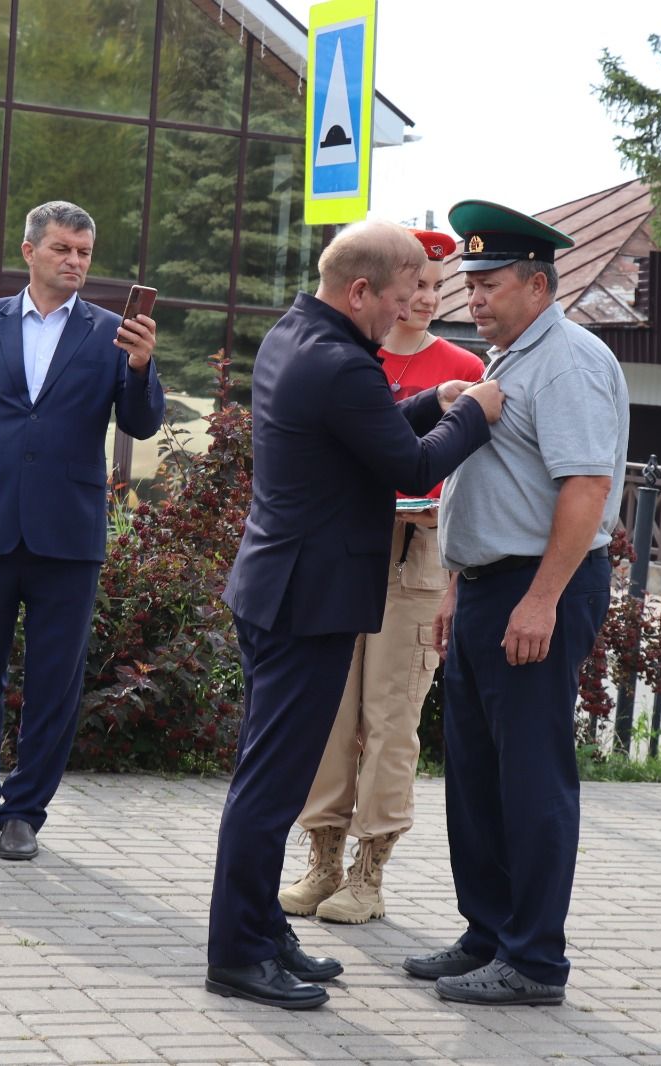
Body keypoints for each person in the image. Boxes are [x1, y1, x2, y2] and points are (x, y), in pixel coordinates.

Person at [206, 220, 503, 1011]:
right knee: (270, 788)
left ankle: (264, 929)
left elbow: (353, 436)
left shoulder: (296, 334)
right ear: (360, 290)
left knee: (271, 778)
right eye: (399, 301)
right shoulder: (340, 361)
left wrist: (421, 400)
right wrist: (475, 412)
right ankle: (237, 952)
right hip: (307, 600)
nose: (405, 317)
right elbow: (409, 468)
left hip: (280, 588)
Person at [402, 200, 629, 1008]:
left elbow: (586, 487)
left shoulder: (565, 360)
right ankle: (488, 933)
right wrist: (461, 589)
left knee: (530, 777)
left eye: (491, 284)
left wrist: (539, 600)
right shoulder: (509, 358)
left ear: (538, 285)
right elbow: (491, 486)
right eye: (470, 284)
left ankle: (534, 960)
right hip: (491, 589)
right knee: (476, 773)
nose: (475, 300)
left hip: (540, 588)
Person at [0, 200, 163, 862]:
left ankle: (25, 812)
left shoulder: (113, 333)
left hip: (68, 535)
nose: (74, 261)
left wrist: (140, 369)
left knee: (55, 682)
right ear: (29, 252)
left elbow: (141, 424)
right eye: (62, 249)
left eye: (83, 251)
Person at [279, 229, 487, 927]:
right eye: (415, 286)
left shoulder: (460, 364)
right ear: (380, 289)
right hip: (344, 555)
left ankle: (369, 873)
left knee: (391, 716)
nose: (425, 300)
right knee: (333, 716)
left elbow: (459, 472)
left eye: (436, 288)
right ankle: (322, 860)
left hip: (415, 556)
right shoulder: (352, 354)